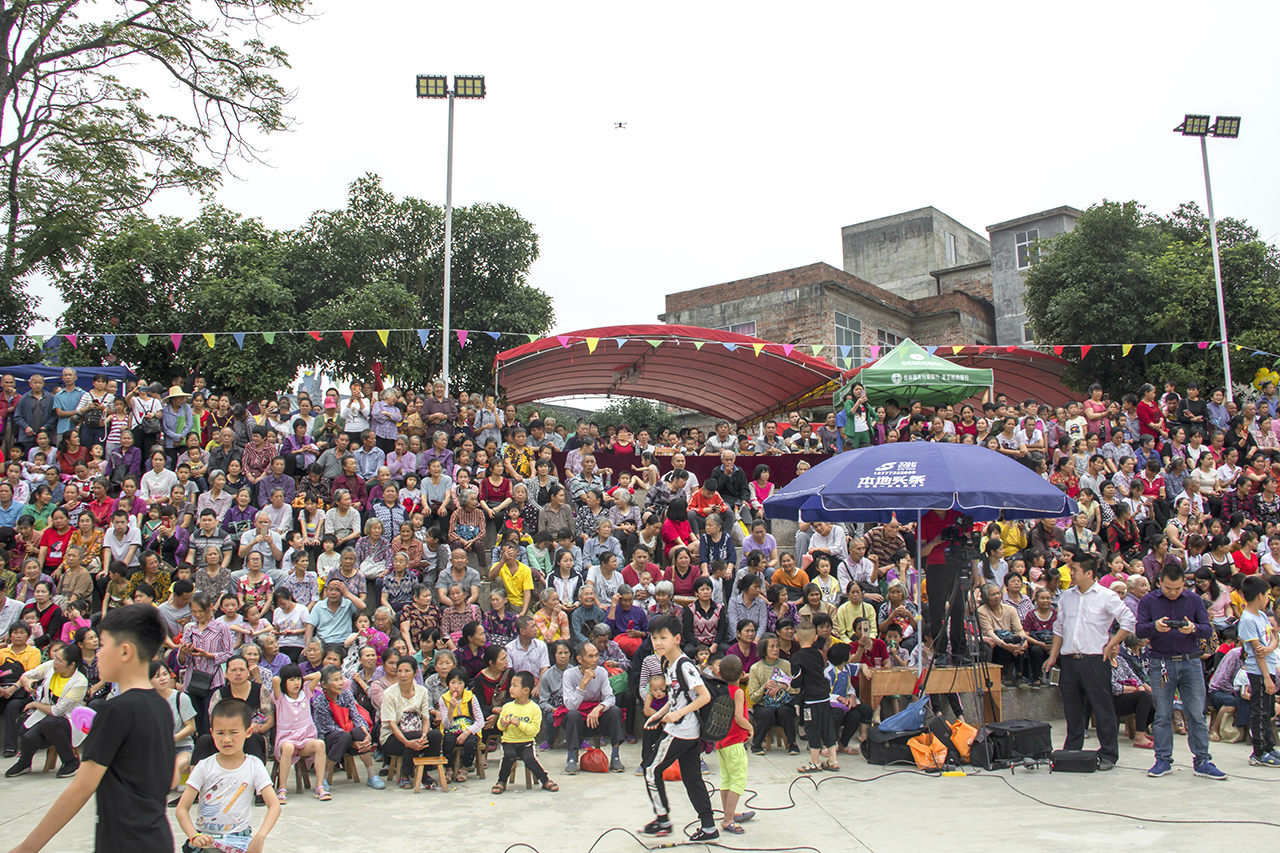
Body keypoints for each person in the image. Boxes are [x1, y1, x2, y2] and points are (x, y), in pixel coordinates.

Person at [12, 605, 173, 853]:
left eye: (103, 645)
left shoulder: (114, 711)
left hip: (124, 842)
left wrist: (27, 847)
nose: (98, 654)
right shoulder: (161, 706)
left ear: (125, 651)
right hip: (157, 837)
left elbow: (81, 787)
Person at [1042, 554, 1135, 770]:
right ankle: (1072, 749)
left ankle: (1109, 753)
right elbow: (1059, 627)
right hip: (1069, 659)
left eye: (1074, 570)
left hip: (1095, 658)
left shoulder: (1106, 596)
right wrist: (1053, 656)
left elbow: (1128, 620)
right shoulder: (1066, 596)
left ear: (1089, 572)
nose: (1071, 573)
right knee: (1072, 708)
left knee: (1101, 707)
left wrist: (1113, 643)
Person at [1136, 562, 1225, 779]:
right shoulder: (1149, 601)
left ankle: (1202, 760)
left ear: (1184, 584)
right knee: (1163, 713)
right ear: (1159, 583)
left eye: (1177, 589)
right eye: (1168, 589)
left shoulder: (1194, 600)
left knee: (1196, 713)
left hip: (1191, 661)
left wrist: (1193, 628)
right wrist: (1154, 627)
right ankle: (1163, 760)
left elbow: (1206, 630)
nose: (1173, 593)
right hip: (1161, 661)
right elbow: (1138, 630)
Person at [641, 614, 718, 842]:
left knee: (650, 770)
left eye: (663, 637)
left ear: (676, 638)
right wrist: (659, 714)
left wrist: (678, 714)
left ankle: (662, 820)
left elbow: (703, 696)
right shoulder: (668, 663)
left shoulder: (685, 665)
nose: (657, 643)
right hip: (686, 732)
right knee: (692, 778)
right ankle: (708, 827)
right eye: (654, 638)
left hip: (682, 731)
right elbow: (676, 696)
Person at [176, 697, 281, 853]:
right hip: (205, 840)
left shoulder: (254, 765)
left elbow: (274, 806)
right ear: (211, 732)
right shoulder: (204, 766)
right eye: (220, 733)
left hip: (238, 840)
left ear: (248, 732)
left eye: (233, 733)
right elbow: (182, 809)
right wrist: (194, 836)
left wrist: (260, 837)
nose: (226, 739)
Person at [379, 655, 443, 789]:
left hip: (417, 732)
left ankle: (424, 772)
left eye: (407, 671)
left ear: (415, 673)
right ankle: (405, 774)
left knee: (435, 736)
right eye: (400, 671)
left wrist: (425, 734)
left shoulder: (422, 691)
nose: (402, 675)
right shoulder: (389, 693)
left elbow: (426, 718)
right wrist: (407, 742)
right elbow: (391, 724)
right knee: (413, 736)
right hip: (393, 737)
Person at [1237, 574, 1280, 767]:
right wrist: (1266, 678)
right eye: (1267, 595)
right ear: (1260, 595)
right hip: (1259, 671)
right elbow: (1257, 652)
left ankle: (1270, 746)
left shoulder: (1262, 616)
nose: (1268, 599)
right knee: (1260, 710)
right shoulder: (1247, 620)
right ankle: (1259, 751)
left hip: (1269, 666)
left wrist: (1270, 647)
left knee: (1268, 709)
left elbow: (1273, 639)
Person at [562, 641, 625, 774]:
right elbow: (571, 705)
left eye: (597, 655)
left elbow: (610, 697)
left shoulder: (601, 672)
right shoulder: (569, 675)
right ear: (580, 659)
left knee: (615, 711)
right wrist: (583, 684)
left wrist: (598, 708)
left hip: (596, 716)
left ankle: (615, 756)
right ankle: (572, 757)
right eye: (591, 656)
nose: (595, 659)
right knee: (572, 715)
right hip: (579, 718)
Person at [492, 670, 558, 794]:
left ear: (526, 690)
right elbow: (500, 726)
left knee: (529, 758)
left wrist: (519, 724)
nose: (511, 689)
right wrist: (503, 724)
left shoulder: (534, 708)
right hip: (509, 741)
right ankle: (501, 782)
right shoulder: (507, 707)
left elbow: (534, 731)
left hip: (526, 742)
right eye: (511, 685)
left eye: (515, 686)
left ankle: (545, 780)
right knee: (509, 757)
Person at [270, 664, 326, 802]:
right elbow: (276, 680)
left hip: (305, 739)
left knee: (320, 744)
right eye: (291, 680)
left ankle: (320, 786)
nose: (296, 683)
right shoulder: (280, 698)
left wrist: (303, 678)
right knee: (288, 748)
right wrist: (283, 679)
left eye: (298, 679)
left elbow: (318, 675)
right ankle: (282, 788)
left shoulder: (305, 692)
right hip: (286, 740)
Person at [712, 654, 752, 836]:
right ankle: (728, 819)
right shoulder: (738, 692)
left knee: (726, 779)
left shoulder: (719, 690)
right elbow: (738, 717)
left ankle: (728, 812)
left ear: (719, 673)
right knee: (738, 780)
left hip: (721, 741)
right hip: (735, 742)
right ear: (742, 674)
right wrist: (749, 727)